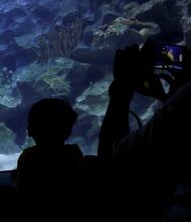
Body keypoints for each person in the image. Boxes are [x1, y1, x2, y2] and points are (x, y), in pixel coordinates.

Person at [98, 41, 191, 220]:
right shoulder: (181, 101)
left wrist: (122, 87)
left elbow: (111, 159)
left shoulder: (183, 103)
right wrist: (168, 98)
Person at [15, 98, 84, 221]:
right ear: (68, 131)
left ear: (30, 131)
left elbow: (24, 194)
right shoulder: (74, 153)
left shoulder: (28, 157)